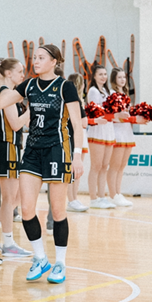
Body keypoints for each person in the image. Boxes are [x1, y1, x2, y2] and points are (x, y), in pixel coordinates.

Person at [0, 45, 86, 284]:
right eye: (35, 57)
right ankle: (40, 258)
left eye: (41, 58)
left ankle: (60, 263)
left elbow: (77, 124)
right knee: (27, 209)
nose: (35, 61)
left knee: (58, 210)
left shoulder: (65, 87)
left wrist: (77, 155)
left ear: (54, 61)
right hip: (31, 152)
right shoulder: (28, 85)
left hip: (57, 150)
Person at [0, 57, 33, 256]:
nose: (23, 75)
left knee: (16, 196)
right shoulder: (6, 93)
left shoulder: (11, 94)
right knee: (10, 197)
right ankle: (8, 243)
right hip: (5, 146)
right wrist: (32, 109)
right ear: (8, 73)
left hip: (11, 146)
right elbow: (16, 124)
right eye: (20, 71)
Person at [86, 64, 116, 209]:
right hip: (97, 131)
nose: (103, 77)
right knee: (96, 166)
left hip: (108, 131)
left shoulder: (108, 91)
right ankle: (93, 198)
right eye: (100, 74)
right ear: (94, 76)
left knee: (105, 166)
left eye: (105, 74)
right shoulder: (93, 91)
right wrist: (113, 114)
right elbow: (96, 112)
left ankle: (102, 197)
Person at [106, 67, 135, 207]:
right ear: (114, 79)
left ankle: (118, 193)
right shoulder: (112, 94)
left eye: (124, 77)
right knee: (115, 166)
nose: (123, 80)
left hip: (127, 131)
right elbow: (113, 116)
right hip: (117, 131)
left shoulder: (125, 94)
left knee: (122, 166)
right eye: (119, 77)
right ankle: (113, 195)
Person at [65, 73, 89, 213]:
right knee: (73, 170)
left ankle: (74, 198)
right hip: (75, 136)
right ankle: (71, 199)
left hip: (79, 137)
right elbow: (84, 122)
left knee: (77, 171)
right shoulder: (76, 101)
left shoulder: (79, 101)